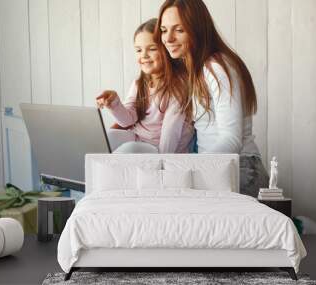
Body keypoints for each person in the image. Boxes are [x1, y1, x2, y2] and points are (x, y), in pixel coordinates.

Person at [156, 0, 268, 196]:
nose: (168, 38)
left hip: (241, 170)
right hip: (217, 169)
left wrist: (190, 168)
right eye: (164, 30)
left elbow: (232, 139)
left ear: (197, 29)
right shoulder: (196, 69)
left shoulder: (216, 66)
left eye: (179, 30)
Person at [96, 18, 193, 153]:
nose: (144, 55)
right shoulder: (139, 84)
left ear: (167, 50)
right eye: (138, 50)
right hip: (139, 139)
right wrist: (114, 103)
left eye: (152, 49)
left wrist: (162, 161)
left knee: (128, 150)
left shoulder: (178, 87)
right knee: (108, 138)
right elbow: (127, 120)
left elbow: (171, 131)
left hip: (162, 149)